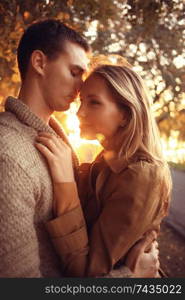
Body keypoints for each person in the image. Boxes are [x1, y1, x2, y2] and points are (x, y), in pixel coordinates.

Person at [0, 19, 159, 278]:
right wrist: (131, 279)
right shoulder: (8, 155)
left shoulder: (54, 142)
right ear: (39, 63)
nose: (79, 89)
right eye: (74, 73)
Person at [35, 64, 172, 277]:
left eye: (94, 103)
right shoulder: (105, 162)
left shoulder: (141, 176)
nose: (80, 112)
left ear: (125, 115)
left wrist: (66, 185)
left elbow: (88, 273)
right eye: (82, 101)